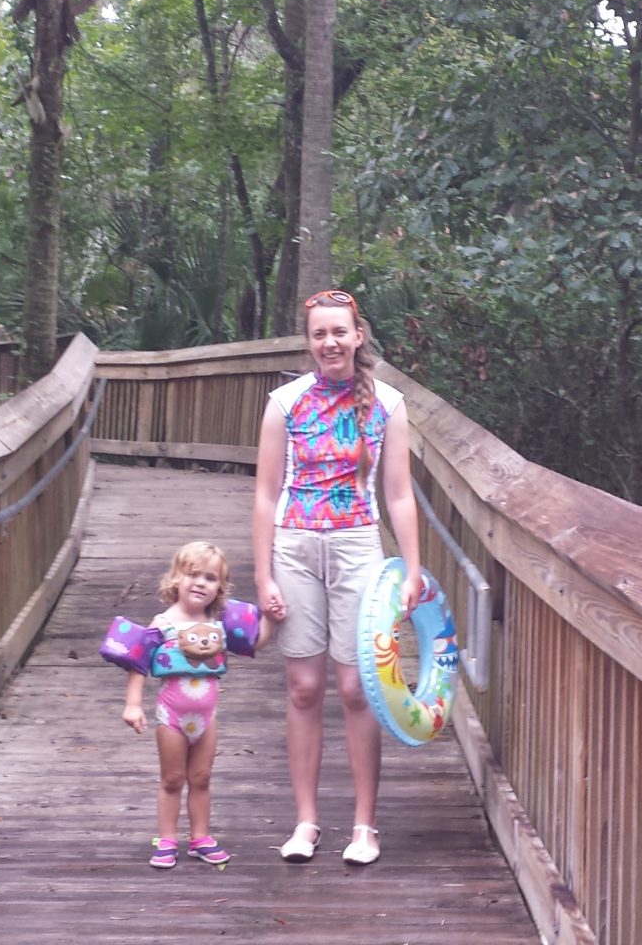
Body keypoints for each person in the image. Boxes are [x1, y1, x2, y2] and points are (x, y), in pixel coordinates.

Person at [252, 289, 423, 866]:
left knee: (357, 689)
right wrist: (263, 575)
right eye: (319, 334)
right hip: (295, 546)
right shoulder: (285, 402)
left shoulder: (388, 405)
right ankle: (306, 823)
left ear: (358, 337)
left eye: (339, 332)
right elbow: (263, 494)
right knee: (303, 688)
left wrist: (413, 570)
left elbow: (399, 494)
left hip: (358, 547)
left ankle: (365, 826)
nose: (330, 343)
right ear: (309, 342)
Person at [105, 541, 270, 869]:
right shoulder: (163, 622)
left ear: (219, 588)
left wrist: (274, 620)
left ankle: (200, 838)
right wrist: (133, 705)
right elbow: (138, 663)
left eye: (210, 578)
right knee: (172, 778)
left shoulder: (220, 623)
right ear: (176, 579)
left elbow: (255, 642)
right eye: (193, 574)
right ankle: (167, 839)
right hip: (172, 715)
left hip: (207, 717)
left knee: (202, 776)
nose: (200, 583)